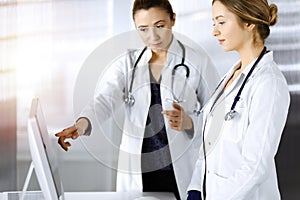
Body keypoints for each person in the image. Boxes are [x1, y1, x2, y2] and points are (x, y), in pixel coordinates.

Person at [55, 0, 219, 199]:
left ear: (173, 19)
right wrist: (82, 123)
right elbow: (106, 99)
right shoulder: (129, 63)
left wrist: (189, 122)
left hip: (180, 170)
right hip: (139, 171)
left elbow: (217, 116)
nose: (153, 36)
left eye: (160, 26)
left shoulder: (197, 61)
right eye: (143, 29)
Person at [187, 0, 290, 199]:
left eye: (221, 22)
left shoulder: (268, 83)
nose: (214, 32)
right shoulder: (231, 76)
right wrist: (195, 189)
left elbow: (255, 166)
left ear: (249, 23)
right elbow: (209, 145)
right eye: (213, 23)